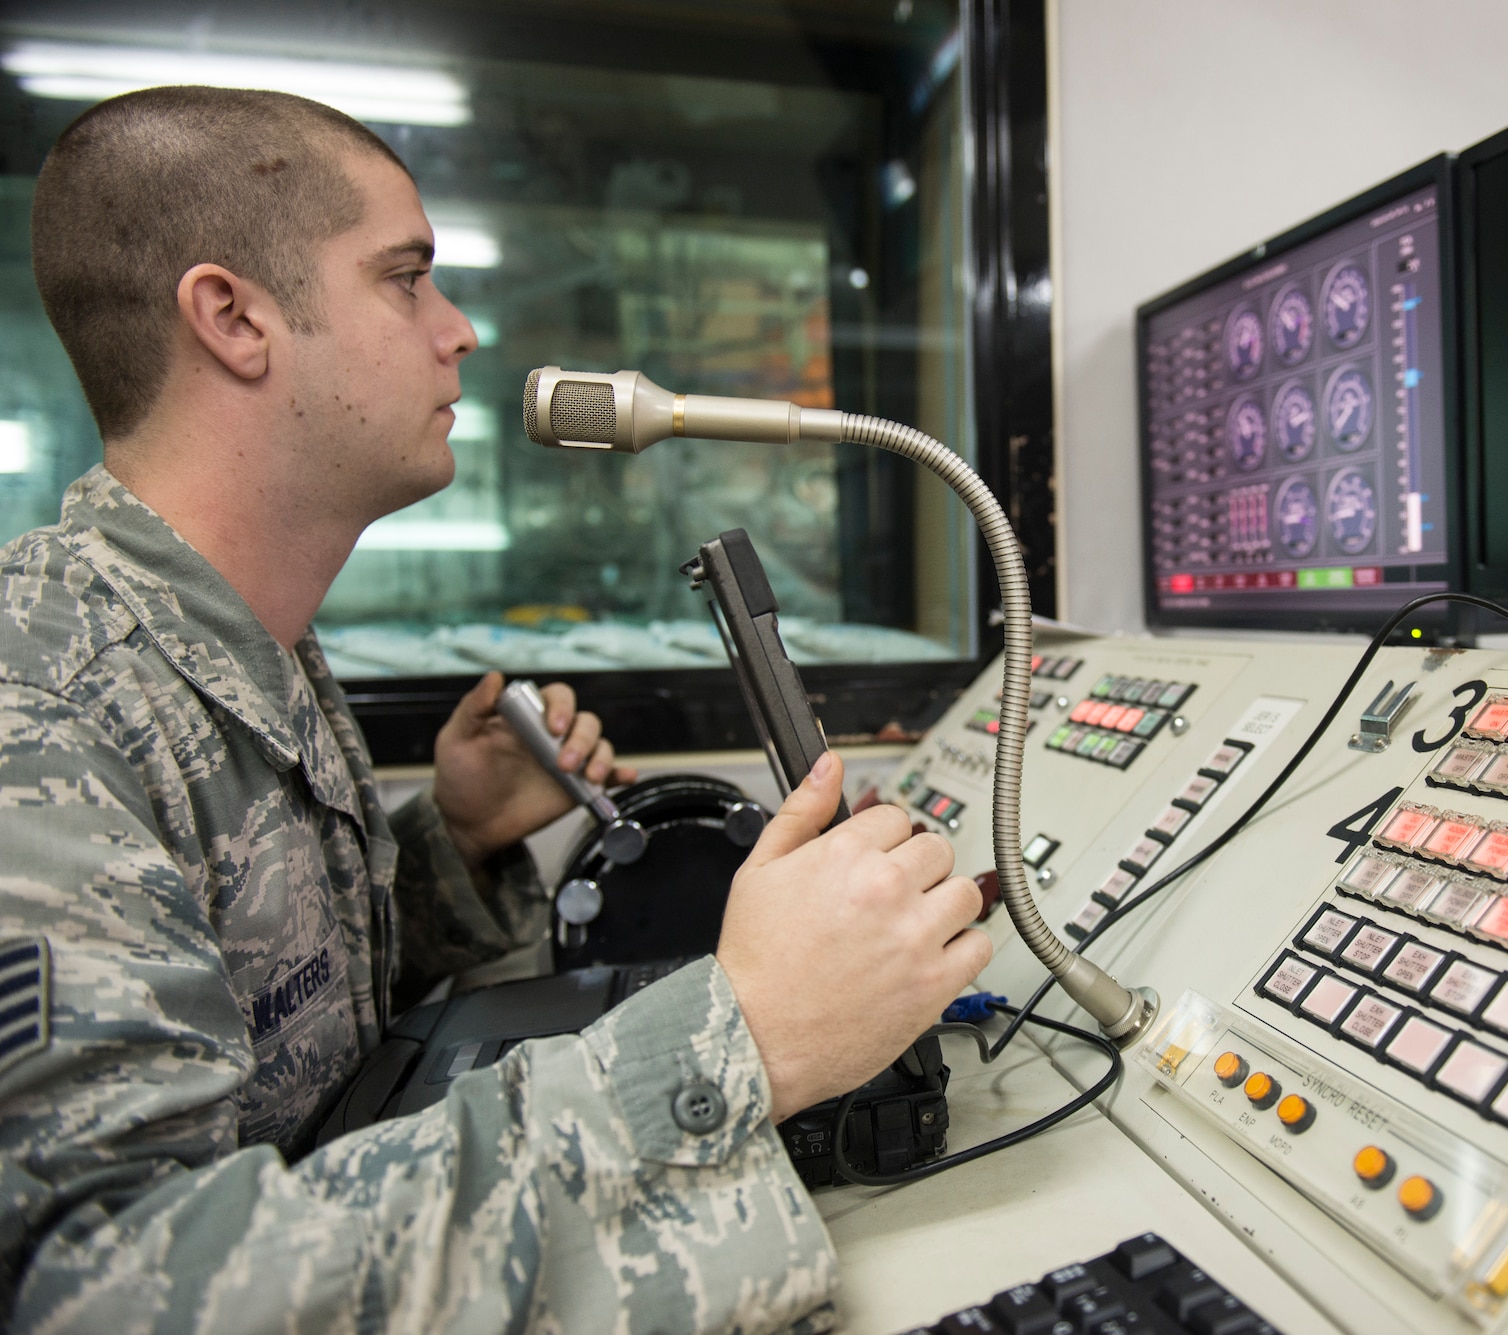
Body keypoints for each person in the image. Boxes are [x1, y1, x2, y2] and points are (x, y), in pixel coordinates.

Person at [0, 86, 991, 1333]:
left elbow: (276, 1047)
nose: (457, 330)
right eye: (405, 279)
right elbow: (105, 1295)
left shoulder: (252, 642)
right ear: (234, 318)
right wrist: (747, 1036)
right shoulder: (36, 713)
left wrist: (449, 848)